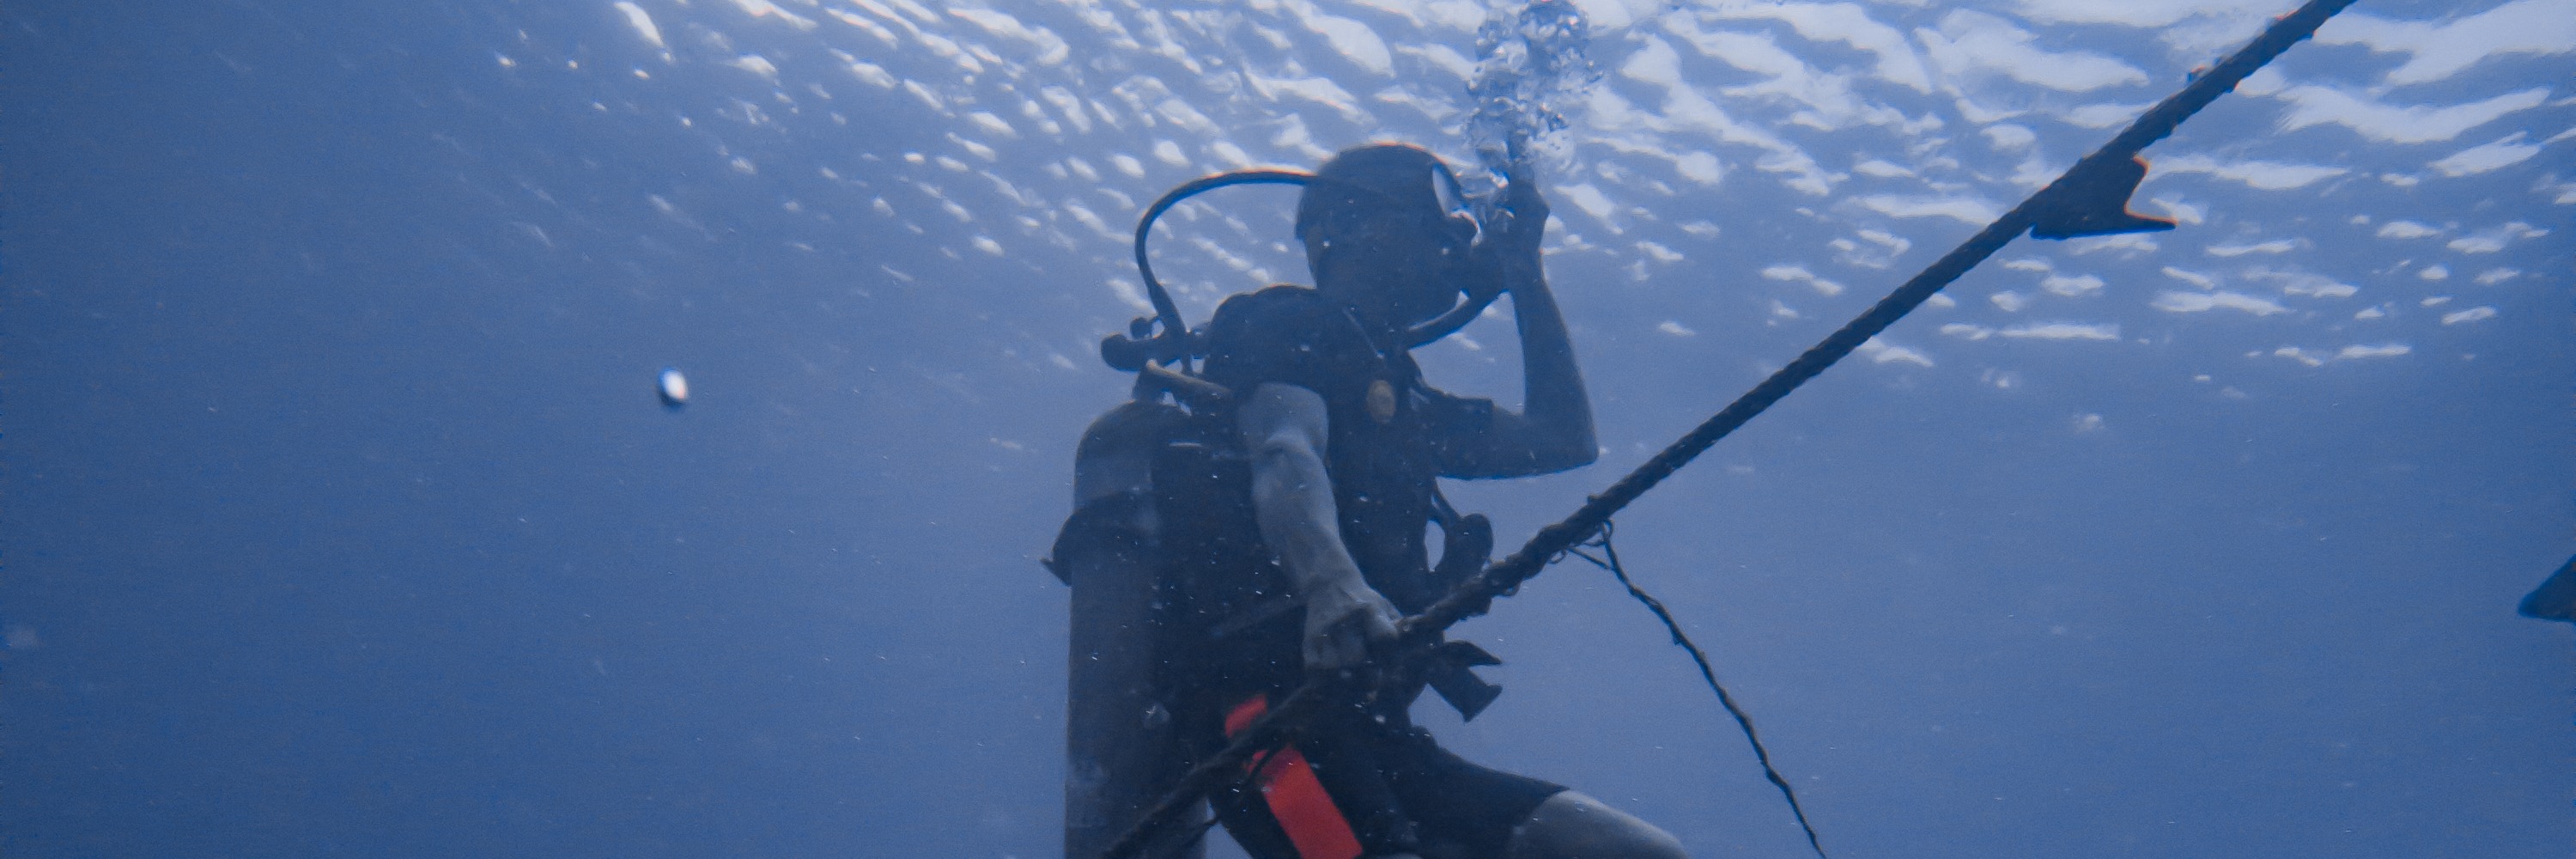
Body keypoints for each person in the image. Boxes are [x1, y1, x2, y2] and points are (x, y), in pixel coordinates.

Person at [1170, 142, 1687, 859]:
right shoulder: (1289, 321)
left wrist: (1524, 276)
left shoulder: (1402, 396)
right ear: (1348, 225)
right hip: (1274, 724)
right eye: (1435, 216)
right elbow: (1283, 446)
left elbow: (1562, 439)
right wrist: (1333, 587)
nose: (1456, 236)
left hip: (1376, 732)